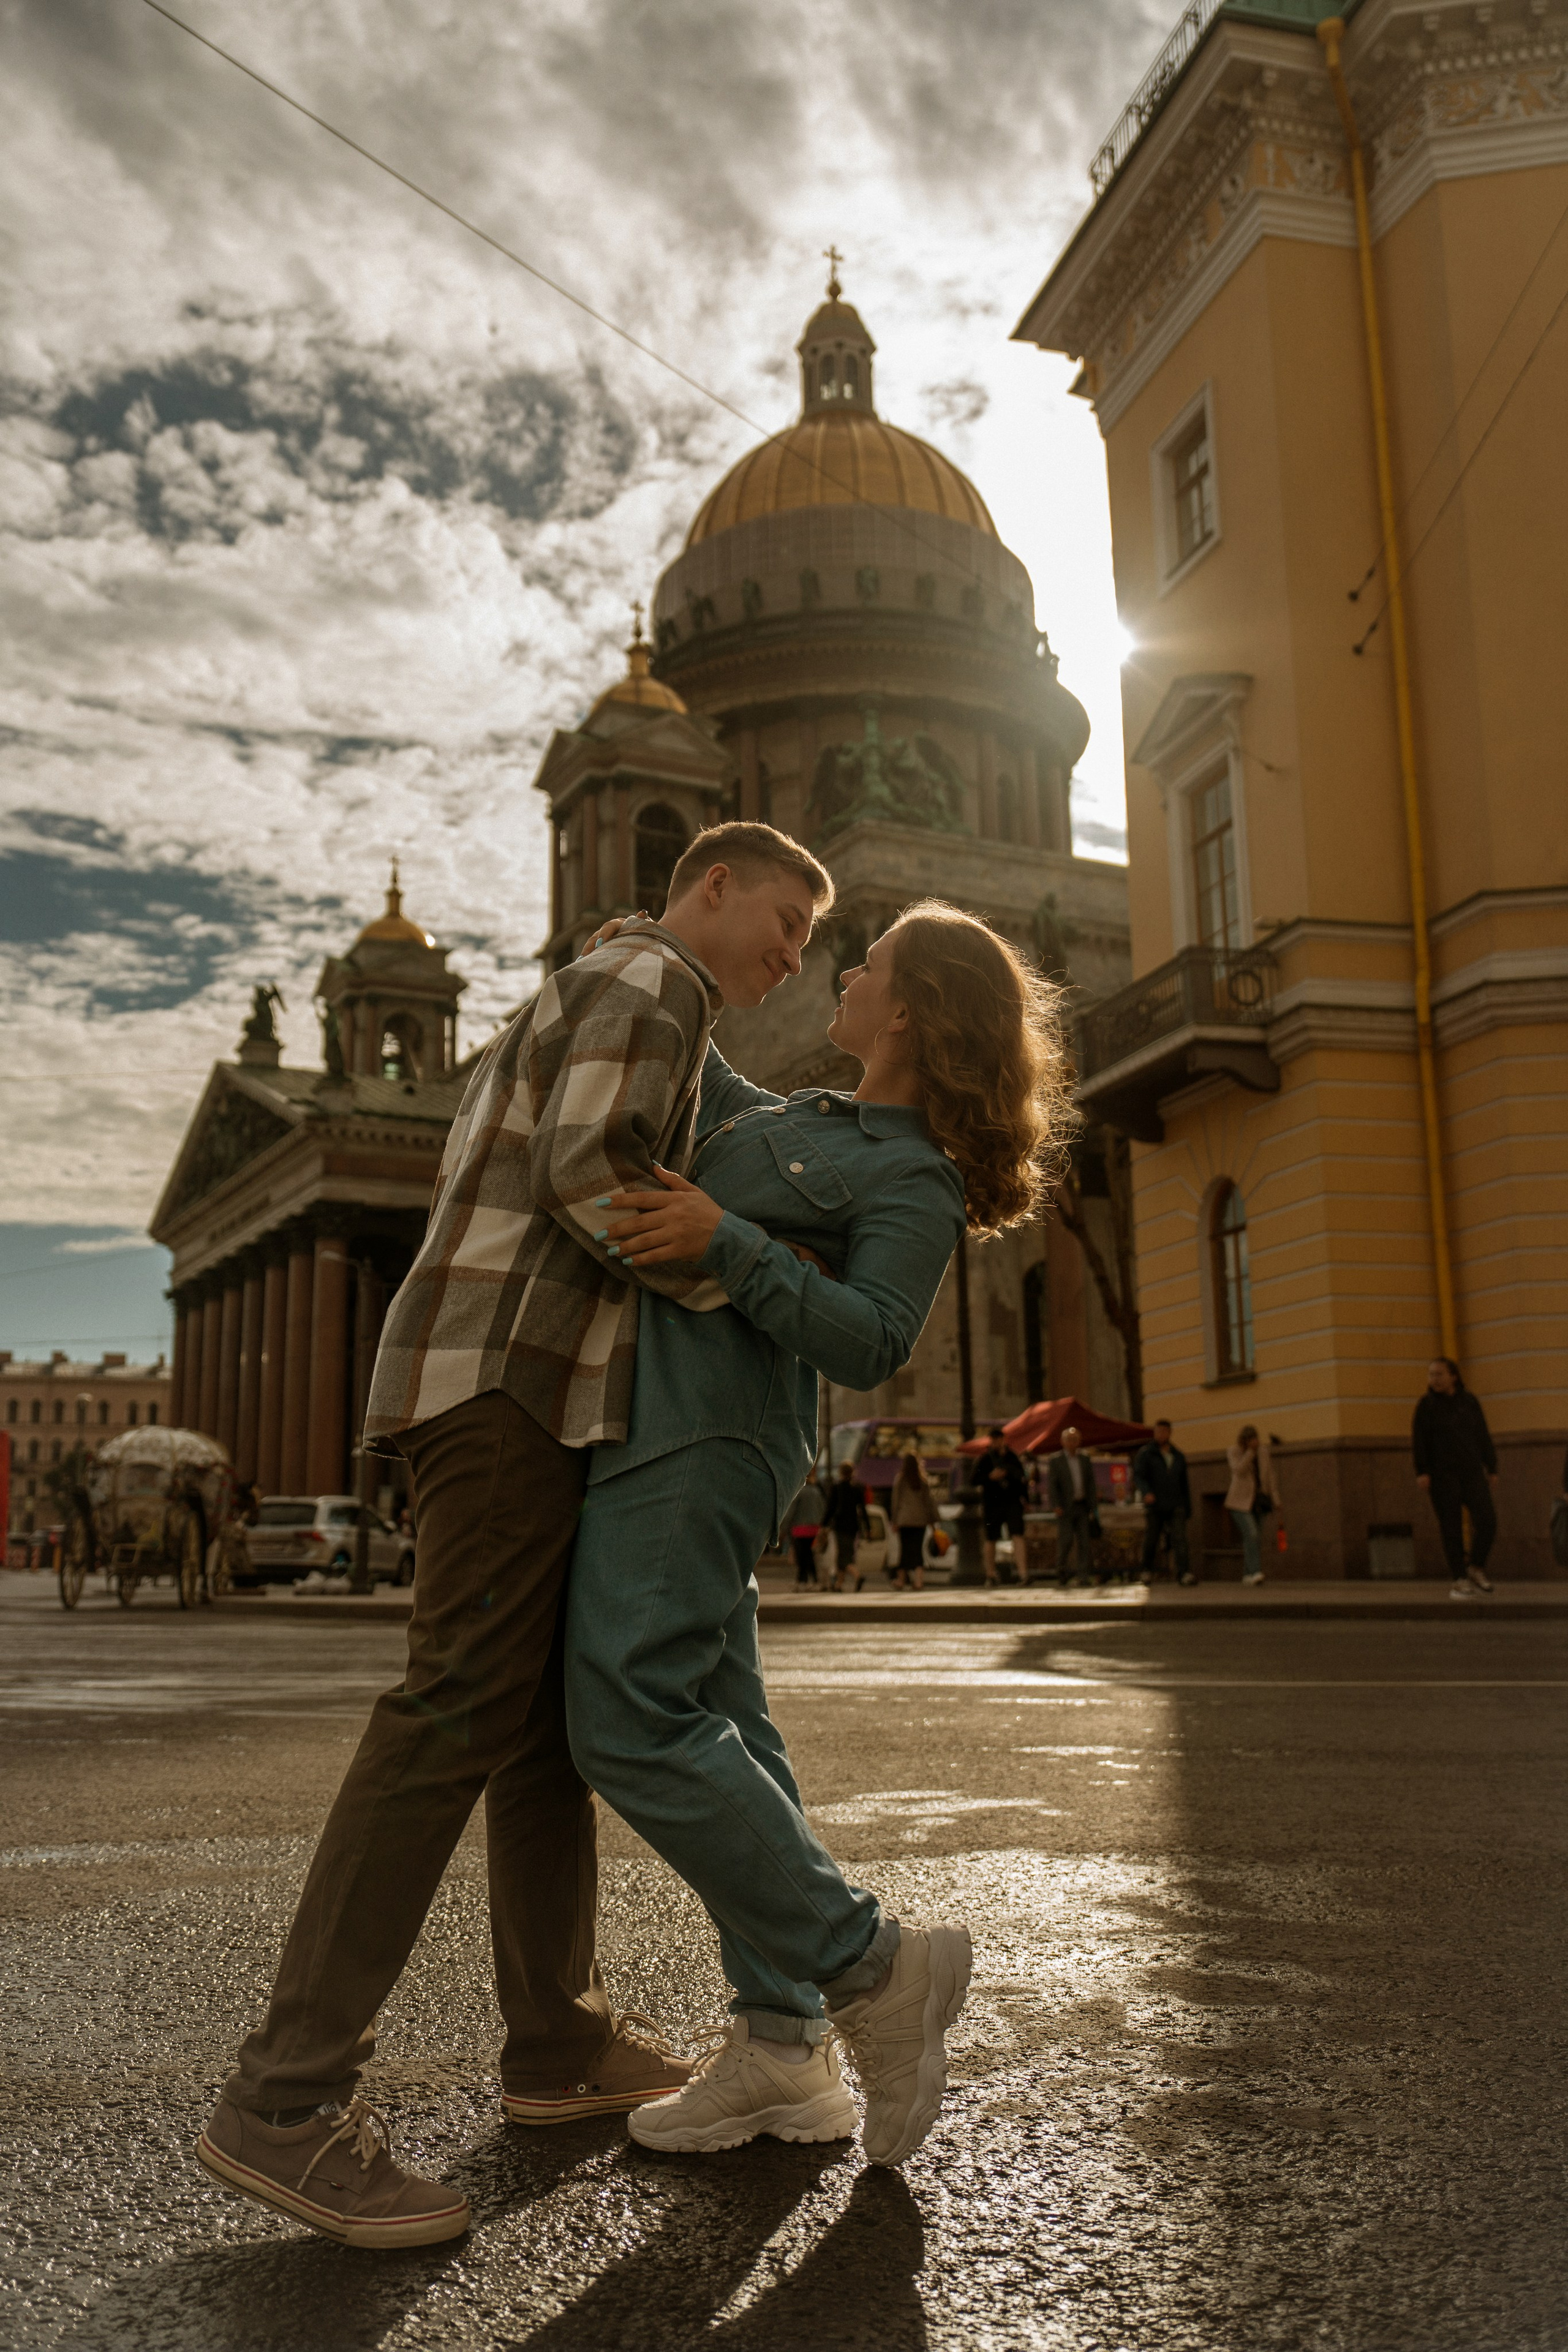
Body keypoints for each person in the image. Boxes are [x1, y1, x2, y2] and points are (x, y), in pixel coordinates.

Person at [195, 821, 834, 2250]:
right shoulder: (653, 977)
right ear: (709, 886)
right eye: (782, 920)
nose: (790, 956)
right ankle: (286, 2097)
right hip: (502, 1379)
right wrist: (744, 1284)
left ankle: (557, 2045)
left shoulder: (595, 982)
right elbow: (586, 1165)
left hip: (503, 1378)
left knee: (538, 1726)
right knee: (450, 1709)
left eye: (807, 942)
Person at [564, 901, 1068, 2166]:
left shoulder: (910, 1172)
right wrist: (667, 952)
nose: (843, 975)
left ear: (905, 1011)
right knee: (732, 1733)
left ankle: (867, 1964)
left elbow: (873, 1335)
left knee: (626, 1711)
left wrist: (725, 1241)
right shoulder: (807, 1118)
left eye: (869, 964)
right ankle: (782, 2053)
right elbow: (711, 1086)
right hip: (672, 1427)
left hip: (704, 1440)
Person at [1412, 1356, 1498, 1597]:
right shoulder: (1426, 1406)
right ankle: (1459, 1578)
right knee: (1451, 1528)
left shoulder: (1469, 1402)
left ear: (1454, 1377)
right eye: (1431, 1375)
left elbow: (1482, 1434)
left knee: (1488, 1521)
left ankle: (1476, 1567)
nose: (1434, 1380)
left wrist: (1492, 1466)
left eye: (1439, 1374)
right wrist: (1422, 1472)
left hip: (1471, 1472)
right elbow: (1419, 1441)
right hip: (1442, 1476)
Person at [1132, 1419, 1193, 1585]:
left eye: (1164, 1431)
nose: (1161, 1435)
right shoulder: (1146, 1454)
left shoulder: (1177, 1455)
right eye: (1158, 1431)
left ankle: (1184, 1573)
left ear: (1169, 1433)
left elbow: (1184, 1483)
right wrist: (1147, 1492)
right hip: (1155, 1504)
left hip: (1176, 1503)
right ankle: (1146, 1570)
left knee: (1180, 1538)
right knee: (1152, 1538)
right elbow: (1138, 1476)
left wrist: (1187, 1506)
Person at [976, 1425, 1030, 1586]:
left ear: (1003, 1440)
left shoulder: (1012, 1457)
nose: (996, 1442)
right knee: (991, 1538)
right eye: (993, 1440)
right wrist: (990, 1477)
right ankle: (991, 1575)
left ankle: (1023, 1573)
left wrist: (1007, 1473)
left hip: (1012, 1502)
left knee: (1018, 1535)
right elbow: (975, 1479)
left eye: (998, 1439)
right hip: (992, 1503)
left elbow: (1022, 1478)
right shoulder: (985, 1459)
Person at [1045, 1426, 1099, 1585]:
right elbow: (1052, 1485)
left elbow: (1090, 1483)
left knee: (1084, 1541)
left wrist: (1092, 1504)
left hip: (1082, 1506)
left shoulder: (1085, 1459)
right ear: (1063, 1442)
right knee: (1066, 1540)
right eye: (1069, 1439)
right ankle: (1062, 1571)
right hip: (1065, 1507)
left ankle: (1082, 1575)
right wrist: (1056, 1505)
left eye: (1075, 1440)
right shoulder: (1056, 1460)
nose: (1072, 1442)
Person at [1226, 1424, 1277, 1585]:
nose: (1255, 1442)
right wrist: (1249, 1453)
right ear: (1245, 1441)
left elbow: (1270, 1475)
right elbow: (1238, 1470)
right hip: (1239, 1502)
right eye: (1251, 1440)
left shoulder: (1263, 1452)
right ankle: (1255, 1572)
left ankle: (1248, 1574)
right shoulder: (1234, 1451)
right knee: (1252, 1534)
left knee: (1254, 1538)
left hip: (1259, 1500)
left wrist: (1276, 1499)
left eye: (1256, 1439)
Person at [889, 1450, 937, 1591]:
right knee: (917, 1550)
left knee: (905, 1550)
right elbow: (929, 1502)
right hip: (920, 1521)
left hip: (904, 1521)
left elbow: (896, 1501)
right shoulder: (922, 1480)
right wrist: (932, 1522)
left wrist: (895, 1521)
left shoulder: (901, 1479)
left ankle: (901, 1581)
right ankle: (919, 1581)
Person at [825, 1461, 870, 1591]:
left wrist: (824, 1524)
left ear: (841, 1472)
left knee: (843, 1556)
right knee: (846, 1553)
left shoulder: (837, 1487)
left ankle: (858, 1576)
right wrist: (867, 1528)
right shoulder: (857, 1488)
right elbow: (863, 1510)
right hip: (853, 1526)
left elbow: (831, 1508)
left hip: (840, 1525)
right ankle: (839, 1584)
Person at [788, 1468, 826, 1587]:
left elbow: (791, 1511)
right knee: (809, 1554)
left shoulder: (799, 1492)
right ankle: (813, 1579)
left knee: (802, 1555)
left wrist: (783, 1527)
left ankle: (802, 1580)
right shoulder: (817, 1492)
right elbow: (823, 1509)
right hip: (814, 1528)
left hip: (800, 1528)